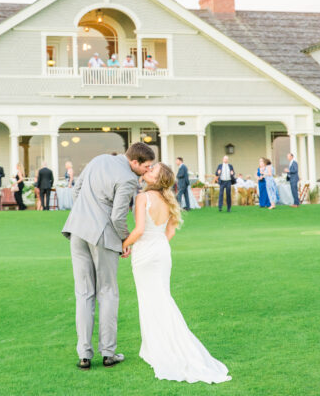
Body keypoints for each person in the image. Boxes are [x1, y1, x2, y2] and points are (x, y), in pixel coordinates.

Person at [122, 162, 231, 384]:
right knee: (161, 298)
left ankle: (159, 348)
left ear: (156, 179)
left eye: (152, 170)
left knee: (151, 300)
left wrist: (124, 245)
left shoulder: (143, 198)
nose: (147, 171)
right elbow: (169, 231)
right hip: (162, 251)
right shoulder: (168, 199)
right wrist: (157, 244)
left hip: (145, 253)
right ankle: (154, 346)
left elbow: (139, 230)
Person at [62, 142, 155, 370]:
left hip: (77, 231)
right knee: (108, 292)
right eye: (147, 166)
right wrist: (125, 241)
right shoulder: (129, 179)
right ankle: (108, 353)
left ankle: (84, 355)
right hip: (103, 235)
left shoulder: (98, 159)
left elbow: (76, 190)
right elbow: (117, 217)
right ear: (135, 162)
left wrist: (87, 213)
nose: (148, 171)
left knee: (83, 294)